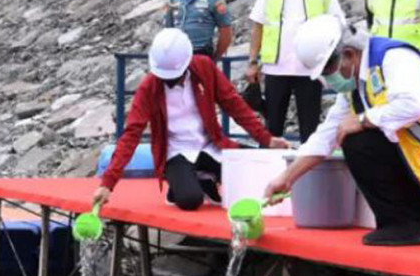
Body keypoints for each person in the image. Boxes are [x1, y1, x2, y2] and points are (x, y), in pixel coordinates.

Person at [264, 15, 420, 246]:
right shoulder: (356, 85)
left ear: (349, 54)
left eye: (329, 71)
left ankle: (401, 226)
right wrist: (287, 179)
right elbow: (327, 135)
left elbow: (413, 105)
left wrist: (362, 120)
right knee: (411, 208)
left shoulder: (393, 57)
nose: (329, 80)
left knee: (357, 142)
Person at [92, 29, 288, 211]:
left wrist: (266, 139)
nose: (170, 81)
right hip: (175, 152)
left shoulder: (204, 67)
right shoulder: (148, 88)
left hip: (211, 146)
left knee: (261, 173)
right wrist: (108, 184)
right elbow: (131, 135)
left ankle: (204, 177)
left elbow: (233, 104)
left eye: (174, 77)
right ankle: (187, 183)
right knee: (190, 199)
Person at [246, 0, 345, 142]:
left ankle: (307, 171)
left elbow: (338, 24)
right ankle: (272, 171)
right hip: (276, 69)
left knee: (310, 131)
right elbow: (258, 26)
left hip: (310, 69)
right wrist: (253, 62)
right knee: (272, 129)